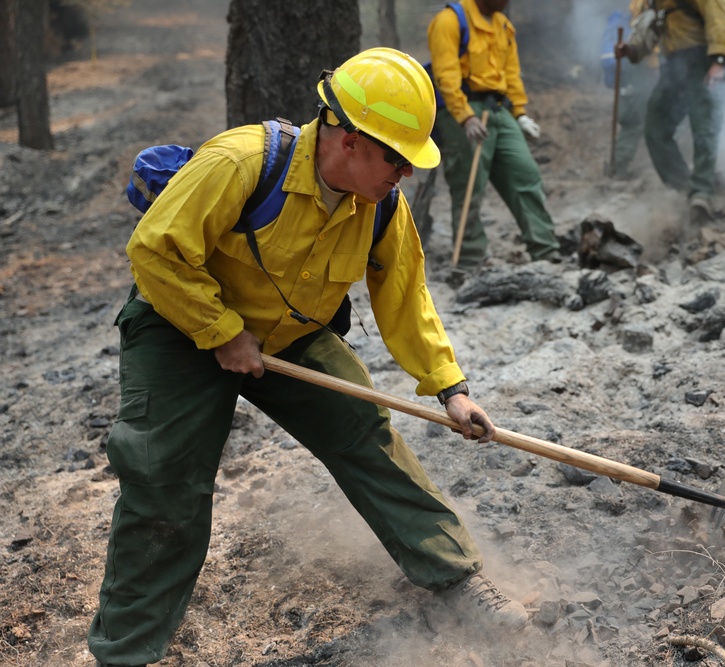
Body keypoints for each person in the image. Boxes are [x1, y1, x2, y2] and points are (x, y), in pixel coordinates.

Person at [88, 48, 528, 667]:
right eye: (396, 158)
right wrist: (219, 330)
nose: (405, 173)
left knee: (366, 435)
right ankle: (126, 653)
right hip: (180, 326)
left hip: (290, 334)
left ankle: (456, 578)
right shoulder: (240, 162)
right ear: (348, 139)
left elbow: (405, 296)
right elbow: (155, 251)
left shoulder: (381, 208)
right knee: (166, 482)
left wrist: (449, 388)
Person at [427, 0, 561, 280]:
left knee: (525, 174)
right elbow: (445, 75)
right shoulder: (450, 21)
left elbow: (511, 74)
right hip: (464, 110)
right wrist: (465, 117)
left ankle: (546, 250)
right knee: (468, 183)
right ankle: (470, 259)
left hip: (501, 110)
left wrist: (521, 113)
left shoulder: (503, 25)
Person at [615, 0, 725, 225]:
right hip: (674, 65)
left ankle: (702, 193)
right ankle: (683, 186)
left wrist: (718, 60)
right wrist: (630, 50)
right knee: (656, 126)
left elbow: (717, 17)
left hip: (702, 59)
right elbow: (649, 33)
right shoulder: (655, 2)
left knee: (703, 127)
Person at [602, 0, 659, 178]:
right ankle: (618, 167)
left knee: (660, 116)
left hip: (649, 66)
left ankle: (620, 165)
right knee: (634, 120)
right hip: (645, 66)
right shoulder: (643, 5)